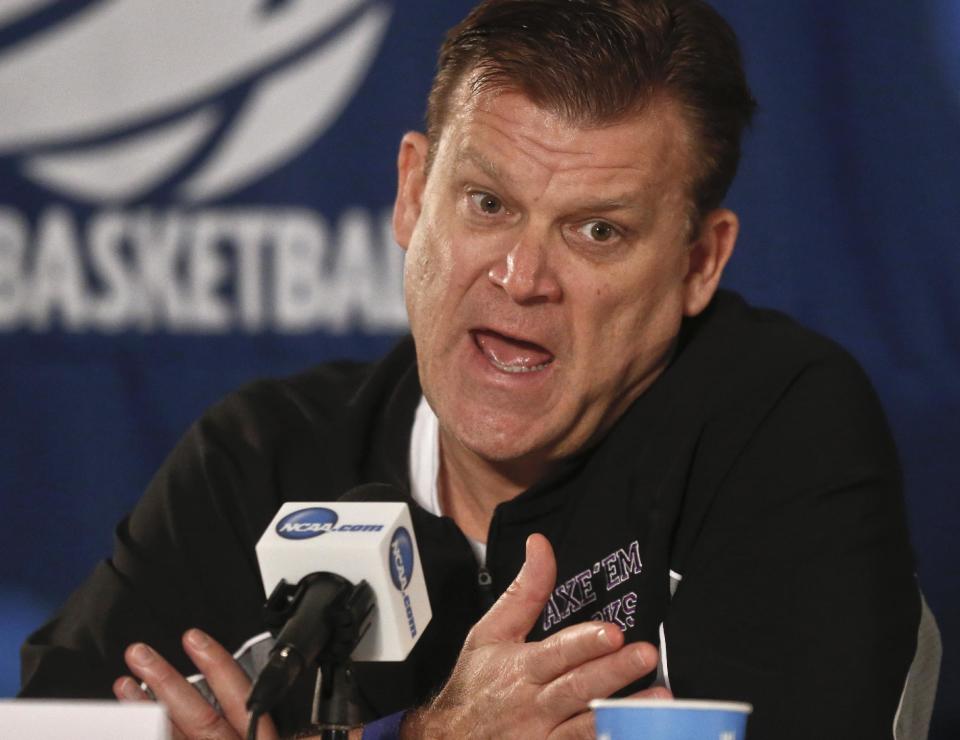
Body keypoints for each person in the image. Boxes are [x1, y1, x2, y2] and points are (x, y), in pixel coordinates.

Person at [20, 1, 935, 738]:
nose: (521, 277)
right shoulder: (256, 459)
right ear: (414, 194)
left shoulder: (778, 428)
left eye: (598, 230)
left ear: (700, 261)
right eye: (488, 202)